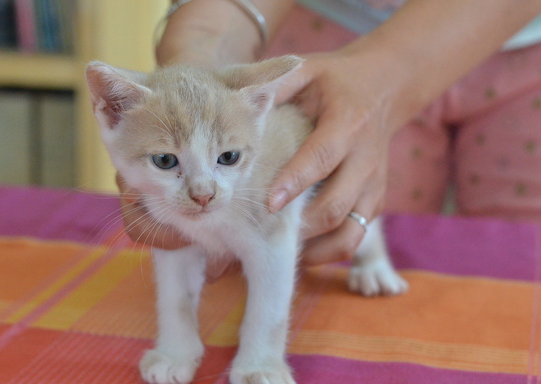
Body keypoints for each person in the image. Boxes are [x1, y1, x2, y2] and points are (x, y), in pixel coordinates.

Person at [117, 0, 541, 275]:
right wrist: (199, 49)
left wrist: (384, 76)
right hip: (322, 33)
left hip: (527, 49)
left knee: (522, 267)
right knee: (334, 247)